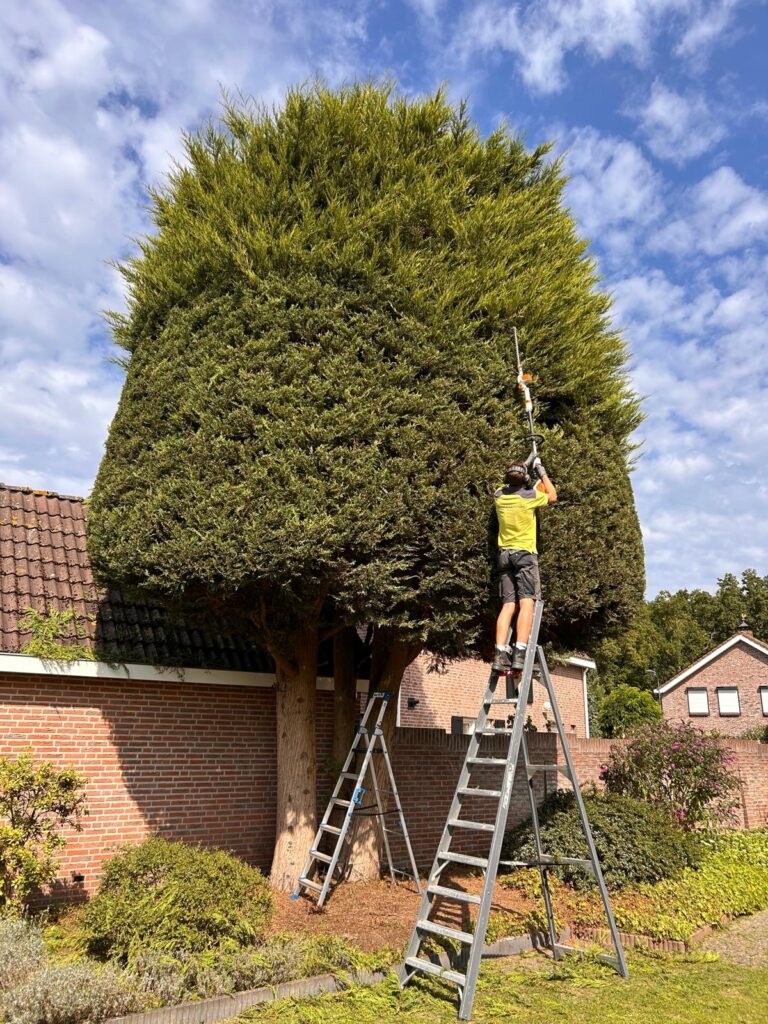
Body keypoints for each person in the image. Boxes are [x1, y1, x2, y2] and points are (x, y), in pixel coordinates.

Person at [492, 456, 557, 674]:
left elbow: (513, 480)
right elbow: (552, 495)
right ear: (526, 478)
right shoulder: (530, 497)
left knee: (508, 605)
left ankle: (500, 654)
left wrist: (524, 464)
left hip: (504, 556)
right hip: (525, 556)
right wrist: (540, 469)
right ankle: (520, 652)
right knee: (527, 602)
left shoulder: (499, 495)